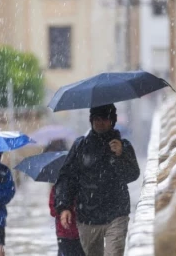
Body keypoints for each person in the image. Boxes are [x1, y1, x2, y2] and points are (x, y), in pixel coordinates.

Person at [54, 104, 140, 256]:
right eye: (96, 119)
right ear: (91, 120)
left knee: (114, 253)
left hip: (117, 213)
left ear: (112, 121)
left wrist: (120, 155)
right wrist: (64, 206)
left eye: (105, 119)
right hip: (88, 217)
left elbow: (132, 175)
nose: (100, 123)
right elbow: (67, 177)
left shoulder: (123, 146)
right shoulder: (81, 146)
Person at [50, 185, 85, 256]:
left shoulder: (82, 187)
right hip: (65, 234)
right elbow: (53, 211)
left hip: (77, 234)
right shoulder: (58, 188)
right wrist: (63, 210)